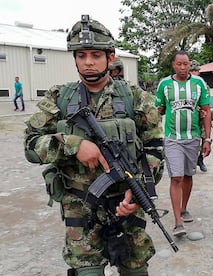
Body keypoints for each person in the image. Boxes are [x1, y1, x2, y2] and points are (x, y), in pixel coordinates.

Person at [23, 14, 163, 276]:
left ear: (110, 57)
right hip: (81, 212)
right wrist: (72, 144)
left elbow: (154, 149)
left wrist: (138, 192)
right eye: (81, 55)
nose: (88, 62)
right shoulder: (59, 98)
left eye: (96, 55)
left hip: (127, 207)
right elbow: (31, 144)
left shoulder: (135, 98)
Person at [155, 51, 212, 237]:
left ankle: (184, 208)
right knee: (176, 177)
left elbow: (206, 110)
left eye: (185, 64)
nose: (182, 67)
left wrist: (207, 139)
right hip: (172, 138)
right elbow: (159, 109)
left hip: (193, 138)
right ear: (173, 65)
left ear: (190, 65)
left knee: (188, 175)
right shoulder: (164, 84)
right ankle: (178, 221)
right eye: (179, 64)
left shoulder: (199, 84)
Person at [189, 60, 208, 172]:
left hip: (202, 118)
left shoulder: (203, 85)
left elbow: (206, 104)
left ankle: (200, 159)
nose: (194, 73)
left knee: (205, 139)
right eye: (192, 70)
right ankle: (191, 161)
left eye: (196, 71)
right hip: (190, 119)